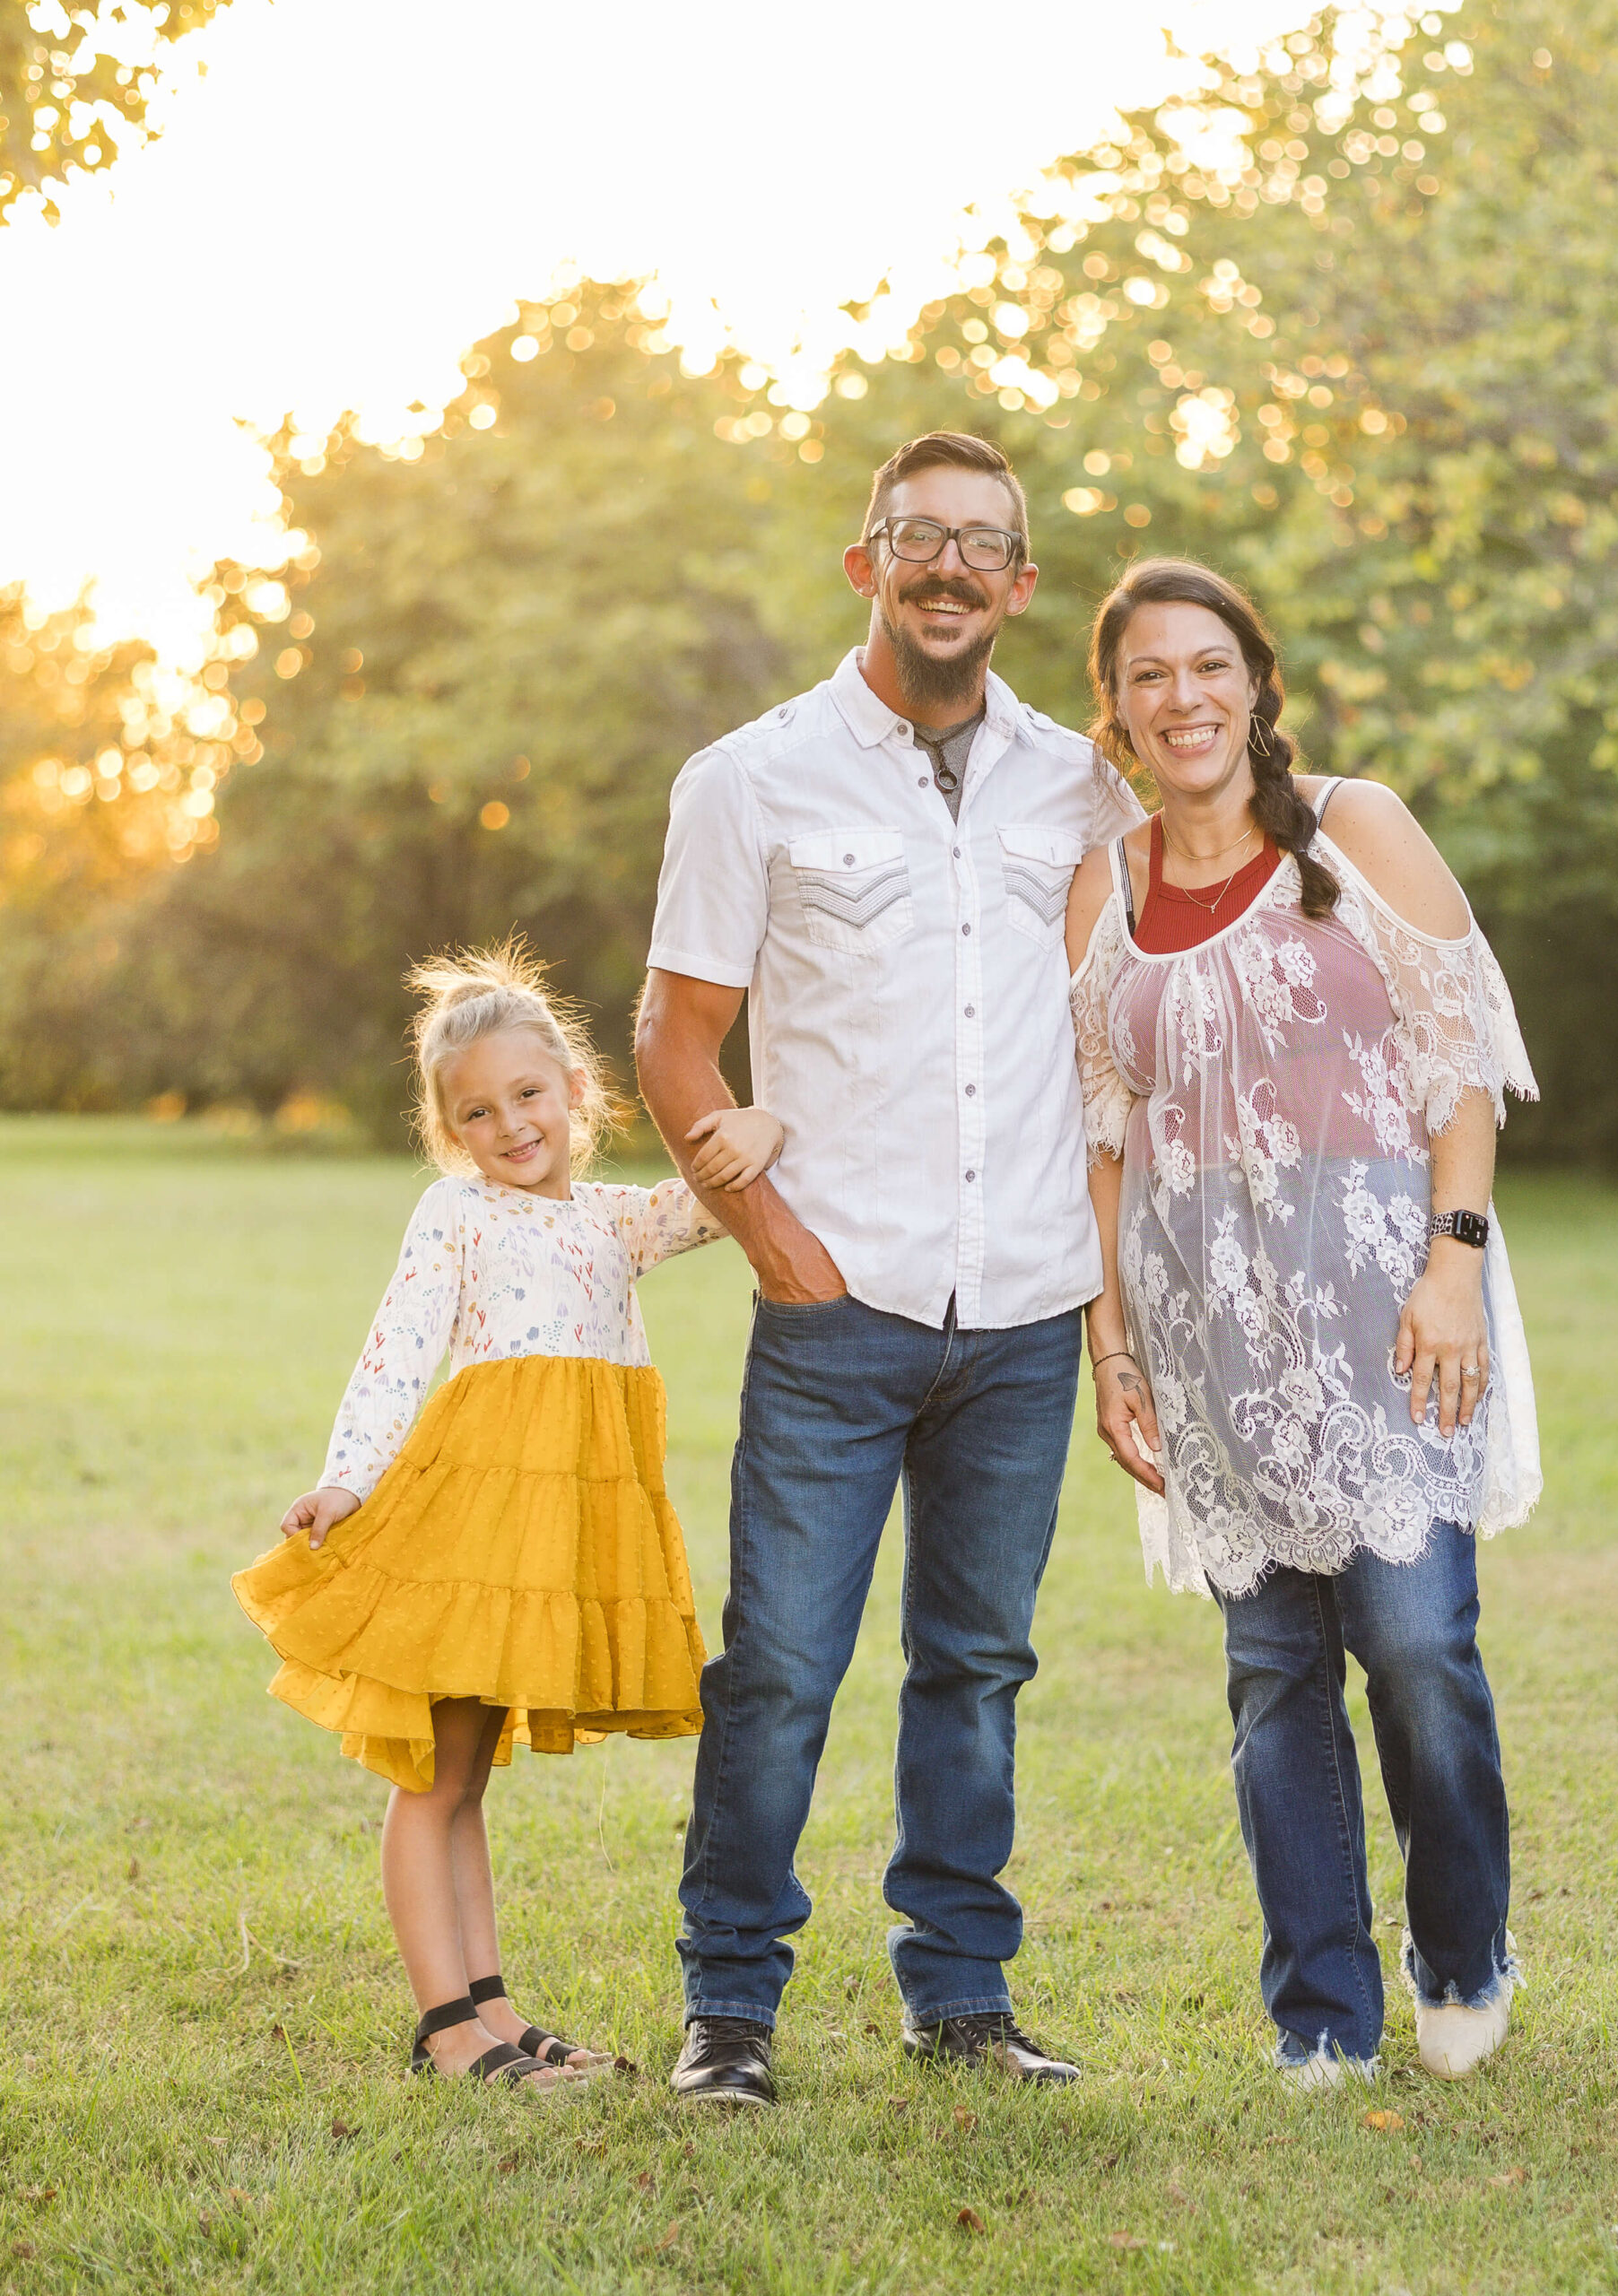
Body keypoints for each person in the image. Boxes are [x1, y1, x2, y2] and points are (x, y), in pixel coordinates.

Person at [635, 430, 1144, 2106]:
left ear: (1019, 585)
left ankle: (961, 1996)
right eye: (917, 535)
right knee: (781, 1666)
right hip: (837, 1308)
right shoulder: (750, 779)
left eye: (981, 542)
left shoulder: (1082, 786)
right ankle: (730, 2006)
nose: (948, 565)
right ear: (866, 564)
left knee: (977, 1666)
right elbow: (674, 1042)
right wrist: (778, 1248)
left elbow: (1127, 1028)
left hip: (1024, 1310)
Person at [1066, 560, 1542, 2087]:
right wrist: (1111, 1343)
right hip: (1208, 1323)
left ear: (1254, 683)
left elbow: (1458, 1056)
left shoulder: (1355, 826)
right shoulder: (1103, 887)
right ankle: (1320, 2012)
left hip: (1389, 1299)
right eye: (1149, 675)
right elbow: (1100, 1136)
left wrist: (1452, 1262)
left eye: (1208, 665)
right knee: (1272, 1673)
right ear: (1117, 711)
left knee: (1415, 1641)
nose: (1183, 697)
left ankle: (1461, 1952)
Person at [232, 943, 780, 2091]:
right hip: (471, 1528)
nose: (509, 1124)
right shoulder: (457, 1212)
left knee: (466, 1780)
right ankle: (446, 2029)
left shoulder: (614, 1221)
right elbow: (396, 1348)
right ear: (450, 1133)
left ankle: (492, 2009)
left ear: (577, 1089)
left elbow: (717, 1197)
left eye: (528, 1094)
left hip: (545, 1536)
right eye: (476, 1111)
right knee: (432, 1781)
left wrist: (765, 1121)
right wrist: (346, 1479)